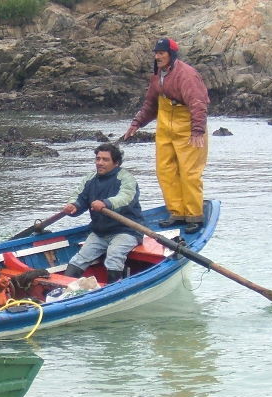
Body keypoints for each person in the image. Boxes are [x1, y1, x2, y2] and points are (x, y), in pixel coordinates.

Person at [123, 37, 210, 234]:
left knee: (189, 174)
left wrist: (198, 131)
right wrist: (137, 123)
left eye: (161, 53)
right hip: (165, 127)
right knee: (165, 171)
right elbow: (151, 103)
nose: (157, 56)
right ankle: (177, 212)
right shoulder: (157, 75)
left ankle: (194, 215)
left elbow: (198, 103)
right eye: (156, 53)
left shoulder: (187, 75)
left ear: (171, 54)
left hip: (188, 128)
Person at [61, 143, 144, 284]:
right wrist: (73, 206)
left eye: (105, 160)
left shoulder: (126, 178)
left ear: (116, 163)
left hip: (126, 231)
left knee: (113, 256)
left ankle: (114, 290)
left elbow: (125, 198)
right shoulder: (90, 179)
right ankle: (63, 289)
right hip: (100, 233)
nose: (100, 163)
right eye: (98, 159)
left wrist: (106, 203)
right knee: (78, 259)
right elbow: (79, 197)